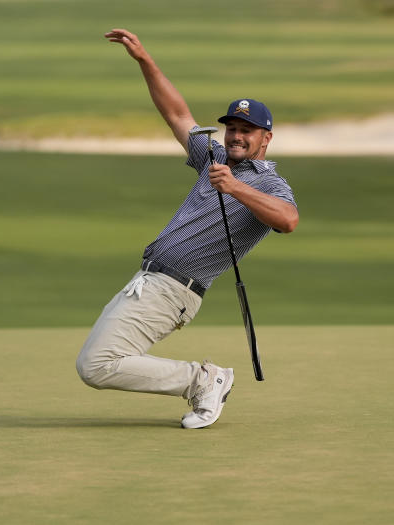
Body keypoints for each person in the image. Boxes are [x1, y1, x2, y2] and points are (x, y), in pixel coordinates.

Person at [76, 29, 299, 429]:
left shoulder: (269, 182)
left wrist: (235, 186)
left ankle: (203, 379)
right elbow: (177, 114)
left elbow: (288, 220)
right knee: (95, 362)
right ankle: (203, 379)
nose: (236, 135)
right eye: (232, 128)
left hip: (177, 288)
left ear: (266, 138)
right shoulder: (212, 156)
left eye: (246, 130)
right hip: (148, 280)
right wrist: (145, 60)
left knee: (97, 365)